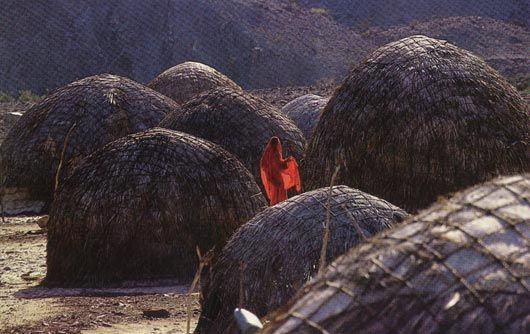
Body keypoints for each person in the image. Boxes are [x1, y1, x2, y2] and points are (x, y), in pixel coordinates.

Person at [259, 137, 301, 206]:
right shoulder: (275, 154)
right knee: (279, 194)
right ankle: (279, 210)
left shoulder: (267, 155)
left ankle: (277, 209)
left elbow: (264, 165)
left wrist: (269, 174)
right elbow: (281, 166)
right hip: (277, 178)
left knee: (275, 194)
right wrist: (288, 162)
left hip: (273, 178)